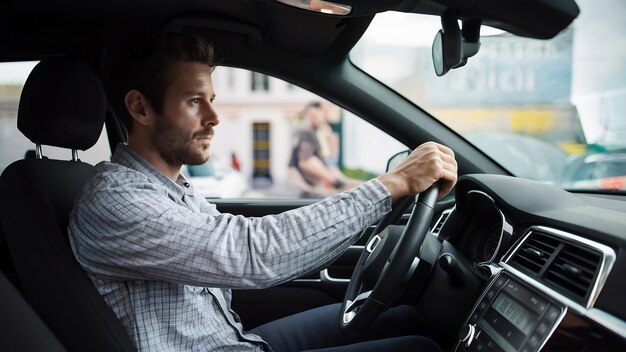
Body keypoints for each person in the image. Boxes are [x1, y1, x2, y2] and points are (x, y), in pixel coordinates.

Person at [68, 32, 458, 352]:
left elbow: (246, 244)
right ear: (140, 108)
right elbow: (254, 255)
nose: (214, 117)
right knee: (418, 349)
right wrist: (393, 184)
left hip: (236, 341)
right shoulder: (115, 199)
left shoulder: (171, 191)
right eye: (194, 101)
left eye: (212, 100)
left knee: (408, 316)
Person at [288, 102, 361, 198]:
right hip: (308, 190)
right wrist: (335, 181)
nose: (324, 118)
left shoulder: (309, 131)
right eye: (322, 114)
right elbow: (306, 161)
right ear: (313, 113)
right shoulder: (306, 132)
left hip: (308, 189)